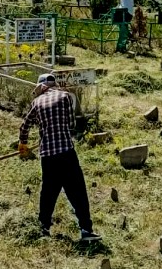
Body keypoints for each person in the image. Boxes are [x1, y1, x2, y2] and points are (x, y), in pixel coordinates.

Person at [19, 74, 101, 241]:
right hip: (66, 152)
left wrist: (23, 144)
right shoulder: (65, 96)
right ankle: (86, 230)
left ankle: (43, 228)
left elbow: (25, 126)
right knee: (77, 191)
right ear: (53, 85)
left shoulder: (36, 102)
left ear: (41, 87)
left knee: (48, 192)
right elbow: (70, 123)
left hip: (48, 156)